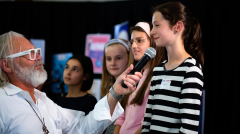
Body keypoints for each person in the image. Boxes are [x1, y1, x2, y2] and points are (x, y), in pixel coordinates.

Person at [0, 31, 142, 134]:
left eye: (37, 51)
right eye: (30, 54)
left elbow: (82, 127)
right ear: (6, 65)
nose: (38, 57)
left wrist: (115, 93)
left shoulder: (42, 100)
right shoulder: (3, 103)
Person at [141, 2, 204, 133]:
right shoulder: (158, 70)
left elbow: (188, 129)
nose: (152, 32)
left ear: (177, 26)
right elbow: (147, 121)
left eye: (157, 25)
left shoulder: (191, 70)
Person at [113, 22, 165, 134]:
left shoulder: (157, 77)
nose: (134, 46)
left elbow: (148, 121)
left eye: (139, 41)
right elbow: (122, 115)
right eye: (132, 42)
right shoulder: (133, 75)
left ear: (153, 43)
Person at [101, 38, 134, 134]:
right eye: (109, 59)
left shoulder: (132, 88)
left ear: (129, 58)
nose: (113, 63)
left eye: (118, 58)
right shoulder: (107, 89)